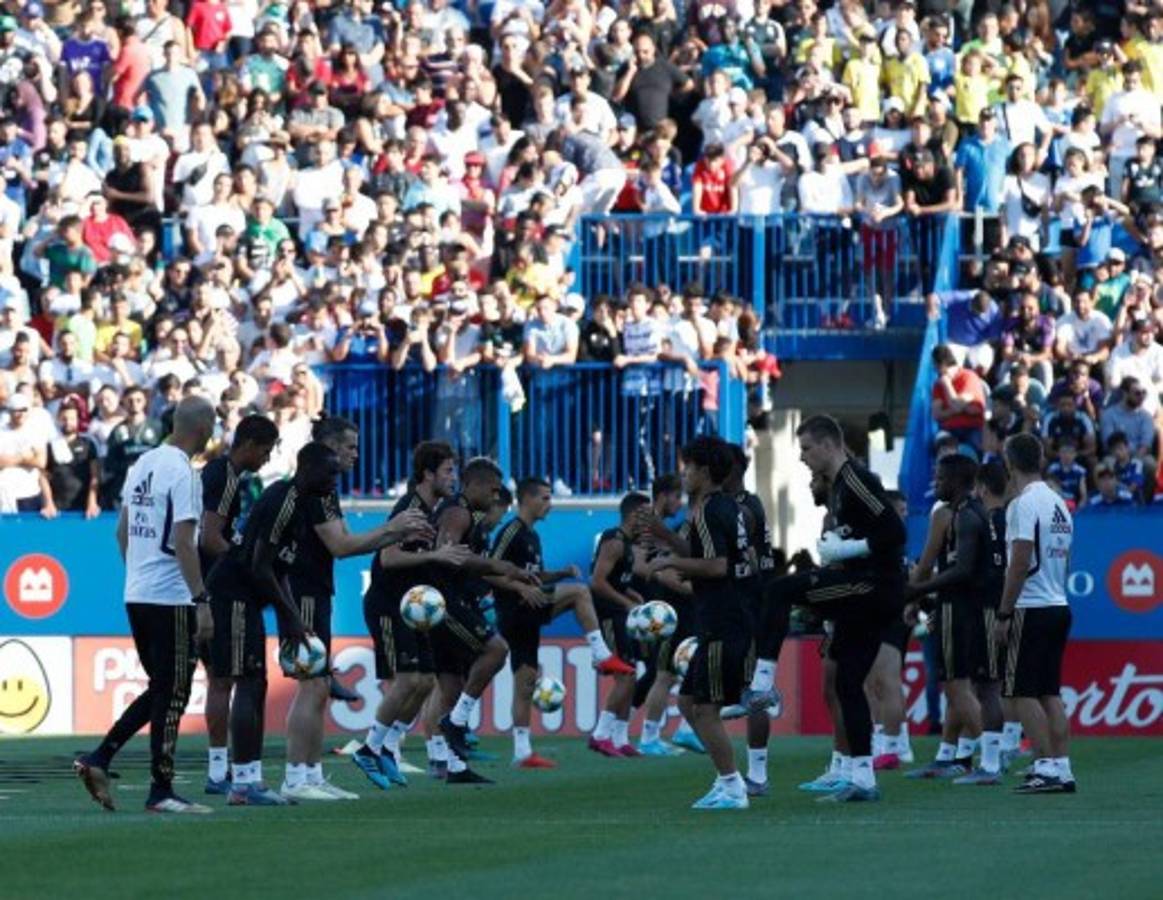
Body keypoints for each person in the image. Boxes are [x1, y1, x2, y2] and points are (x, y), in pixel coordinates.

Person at [74, 396, 218, 814]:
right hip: (171, 597)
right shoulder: (184, 473)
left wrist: (140, 573)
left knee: (162, 689)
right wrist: (201, 600)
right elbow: (185, 541)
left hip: (137, 592)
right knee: (174, 693)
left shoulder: (144, 464)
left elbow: (122, 530)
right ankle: (161, 790)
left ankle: (100, 758)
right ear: (204, 430)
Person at [281, 416, 435, 801]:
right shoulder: (315, 492)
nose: (356, 453)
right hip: (302, 592)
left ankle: (312, 775)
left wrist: (394, 532)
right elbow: (341, 546)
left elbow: (346, 541)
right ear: (330, 447)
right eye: (350, 446)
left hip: (315, 590)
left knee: (318, 686)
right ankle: (295, 777)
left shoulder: (325, 491)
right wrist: (393, 529)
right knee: (312, 684)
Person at [771, 415, 907, 802]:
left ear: (829, 444)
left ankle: (762, 681)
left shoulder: (856, 480)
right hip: (859, 591)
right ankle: (861, 778)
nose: (802, 458)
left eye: (806, 449)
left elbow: (895, 533)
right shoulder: (838, 488)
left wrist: (849, 549)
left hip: (871, 590)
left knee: (779, 592)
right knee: (847, 684)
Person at [203, 441, 340, 806]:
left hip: (247, 597)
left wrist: (289, 615)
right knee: (247, 682)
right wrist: (291, 617)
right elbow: (260, 565)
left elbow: (278, 570)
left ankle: (248, 781)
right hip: (233, 594)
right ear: (308, 468)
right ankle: (245, 783)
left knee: (255, 683)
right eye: (331, 472)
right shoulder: (284, 500)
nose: (335, 480)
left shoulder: (296, 505)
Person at [351, 441, 470, 788]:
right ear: (427, 474)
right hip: (389, 604)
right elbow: (388, 559)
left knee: (425, 682)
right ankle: (369, 749)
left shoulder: (432, 510)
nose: (453, 478)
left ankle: (386, 747)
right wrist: (435, 558)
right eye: (448, 470)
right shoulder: (410, 508)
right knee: (407, 681)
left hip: (412, 607)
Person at [646, 436, 754, 810]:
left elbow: (716, 565)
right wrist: (667, 539)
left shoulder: (708, 509)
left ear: (704, 472)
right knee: (688, 700)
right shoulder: (724, 507)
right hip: (725, 617)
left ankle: (733, 786)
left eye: (687, 467)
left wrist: (669, 562)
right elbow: (704, 554)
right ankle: (727, 779)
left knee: (704, 709)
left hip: (724, 620)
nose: (683, 474)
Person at [490, 477, 623, 768]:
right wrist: (520, 589)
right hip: (516, 609)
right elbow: (488, 570)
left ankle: (522, 752)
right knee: (579, 593)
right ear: (527, 500)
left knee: (525, 681)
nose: (550, 504)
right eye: (546, 498)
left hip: (528, 609)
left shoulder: (532, 536)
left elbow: (533, 577)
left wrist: (560, 574)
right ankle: (601, 653)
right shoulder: (511, 531)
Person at [197, 414, 279, 795]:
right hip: (222, 592)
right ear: (247, 444)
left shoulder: (213, 473)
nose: (266, 458)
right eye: (265, 450)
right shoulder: (227, 478)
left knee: (218, 680)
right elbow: (211, 536)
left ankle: (217, 771)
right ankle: (230, 774)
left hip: (199, 589)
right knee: (237, 679)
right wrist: (245, 566)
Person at [993, 433, 1076, 794]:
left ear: (1010, 463)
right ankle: (1061, 766)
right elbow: (1065, 559)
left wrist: (1004, 611)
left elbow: (1019, 560)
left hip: (1031, 606)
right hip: (1058, 603)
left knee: (1021, 691)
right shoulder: (1059, 503)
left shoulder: (1021, 505)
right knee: (1049, 692)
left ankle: (1044, 765)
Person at [904, 454, 990, 782]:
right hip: (975, 608)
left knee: (955, 686)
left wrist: (912, 593)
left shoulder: (946, 515)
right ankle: (948, 756)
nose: (935, 484)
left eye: (940, 479)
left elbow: (927, 565)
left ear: (955, 482)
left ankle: (991, 757)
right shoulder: (979, 511)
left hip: (955, 608)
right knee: (960, 685)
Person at [587, 492, 655, 758]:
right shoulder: (614, 541)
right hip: (607, 615)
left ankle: (621, 737)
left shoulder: (626, 544)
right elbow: (598, 582)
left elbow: (616, 581)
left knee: (631, 673)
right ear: (633, 514)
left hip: (619, 613)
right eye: (646, 515)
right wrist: (624, 602)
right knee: (625, 674)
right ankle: (601, 735)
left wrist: (632, 596)